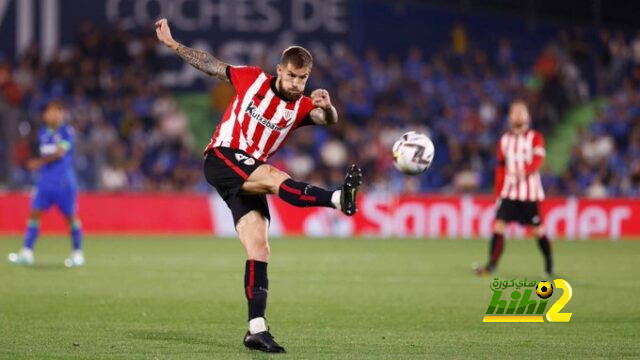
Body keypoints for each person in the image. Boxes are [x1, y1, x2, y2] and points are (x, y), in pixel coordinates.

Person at [155, 19, 362, 353]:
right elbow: (211, 65)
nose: (296, 84)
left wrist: (328, 106)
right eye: (292, 75)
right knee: (272, 177)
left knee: (259, 247)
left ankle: (256, 329)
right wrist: (174, 45)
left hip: (246, 174)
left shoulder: (303, 105)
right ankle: (338, 199)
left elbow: (329, 120)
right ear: (279, 70)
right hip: (223, 157)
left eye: (303, 78)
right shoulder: (251, 78)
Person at [474, 100, 553, 277]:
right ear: (509, 117)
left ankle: (549, 266)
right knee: (498, 226)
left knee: (537, 230)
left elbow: (538, 160)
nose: (518, 115)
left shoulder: (535, 137)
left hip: (530, 193)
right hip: (509, 192)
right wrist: (498, 193)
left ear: (527, 116)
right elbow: (501, 168)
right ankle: (491, 266)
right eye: (514, 112)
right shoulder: (504, 140)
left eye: (521, 112)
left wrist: (525, 171)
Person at [8, 100, 85, 268]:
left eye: (57, 112)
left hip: (63, 181)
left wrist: (39, 162)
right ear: (45, 115)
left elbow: (60, 153)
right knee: (34, 214)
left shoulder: (67, 131)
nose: (53, 115)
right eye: (50, 112)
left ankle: (77, 253)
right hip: (45, 182)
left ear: (62, 115)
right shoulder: (43, 133)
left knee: (70, 217)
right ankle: (27, 252)